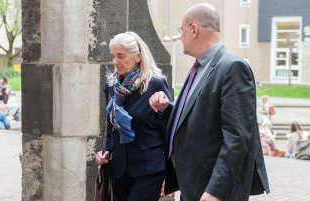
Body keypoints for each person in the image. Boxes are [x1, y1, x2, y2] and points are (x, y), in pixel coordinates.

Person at [149, 3, 269, 201]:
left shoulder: (233, 67)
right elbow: (200, 121)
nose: (180, 36)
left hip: (212, 191)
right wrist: (167, 110)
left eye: (181, 30)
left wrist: (216, 191)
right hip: (194, 186)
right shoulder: (199, 67)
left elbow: (237, 137)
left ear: (194, 29)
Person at [95, 31, 172, 201]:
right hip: (119, 170)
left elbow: (170, 129)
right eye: (113, 56)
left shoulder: (156, 84)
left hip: (150, 169)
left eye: (121, 56)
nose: (115, 62)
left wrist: (171, 173)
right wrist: (105, 150)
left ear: (137, 57)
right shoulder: (111, 86)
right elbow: (110, 125)